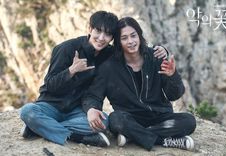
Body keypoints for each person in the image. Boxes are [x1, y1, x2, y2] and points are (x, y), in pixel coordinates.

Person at [20, 11, 167, 147]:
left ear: (112, 38)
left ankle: (40, 128)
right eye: (98, 31)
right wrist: (71, 71)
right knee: (27, 111)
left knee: (104, 120)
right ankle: (76, 136)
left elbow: (132, 49)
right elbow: (50, 85)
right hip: (51, 106)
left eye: (107, 34)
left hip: (77, 110)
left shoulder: (109, 54)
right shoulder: (66, 49)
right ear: (89, 28)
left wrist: (160, 50)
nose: (101, 38)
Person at [82, 17, 196, 151]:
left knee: (189, 121)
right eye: (124, 38)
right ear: (118, 42)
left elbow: (174, 95)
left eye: (133, 36)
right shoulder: (109, 67)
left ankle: (133, 136)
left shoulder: (156, 57)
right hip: (130, 118)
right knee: (115, 119)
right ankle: (164, 140)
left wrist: (172, 76)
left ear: (139, 36)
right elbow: (93, 95)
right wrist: (91, 109)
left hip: (160, 116)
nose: (130, 41)